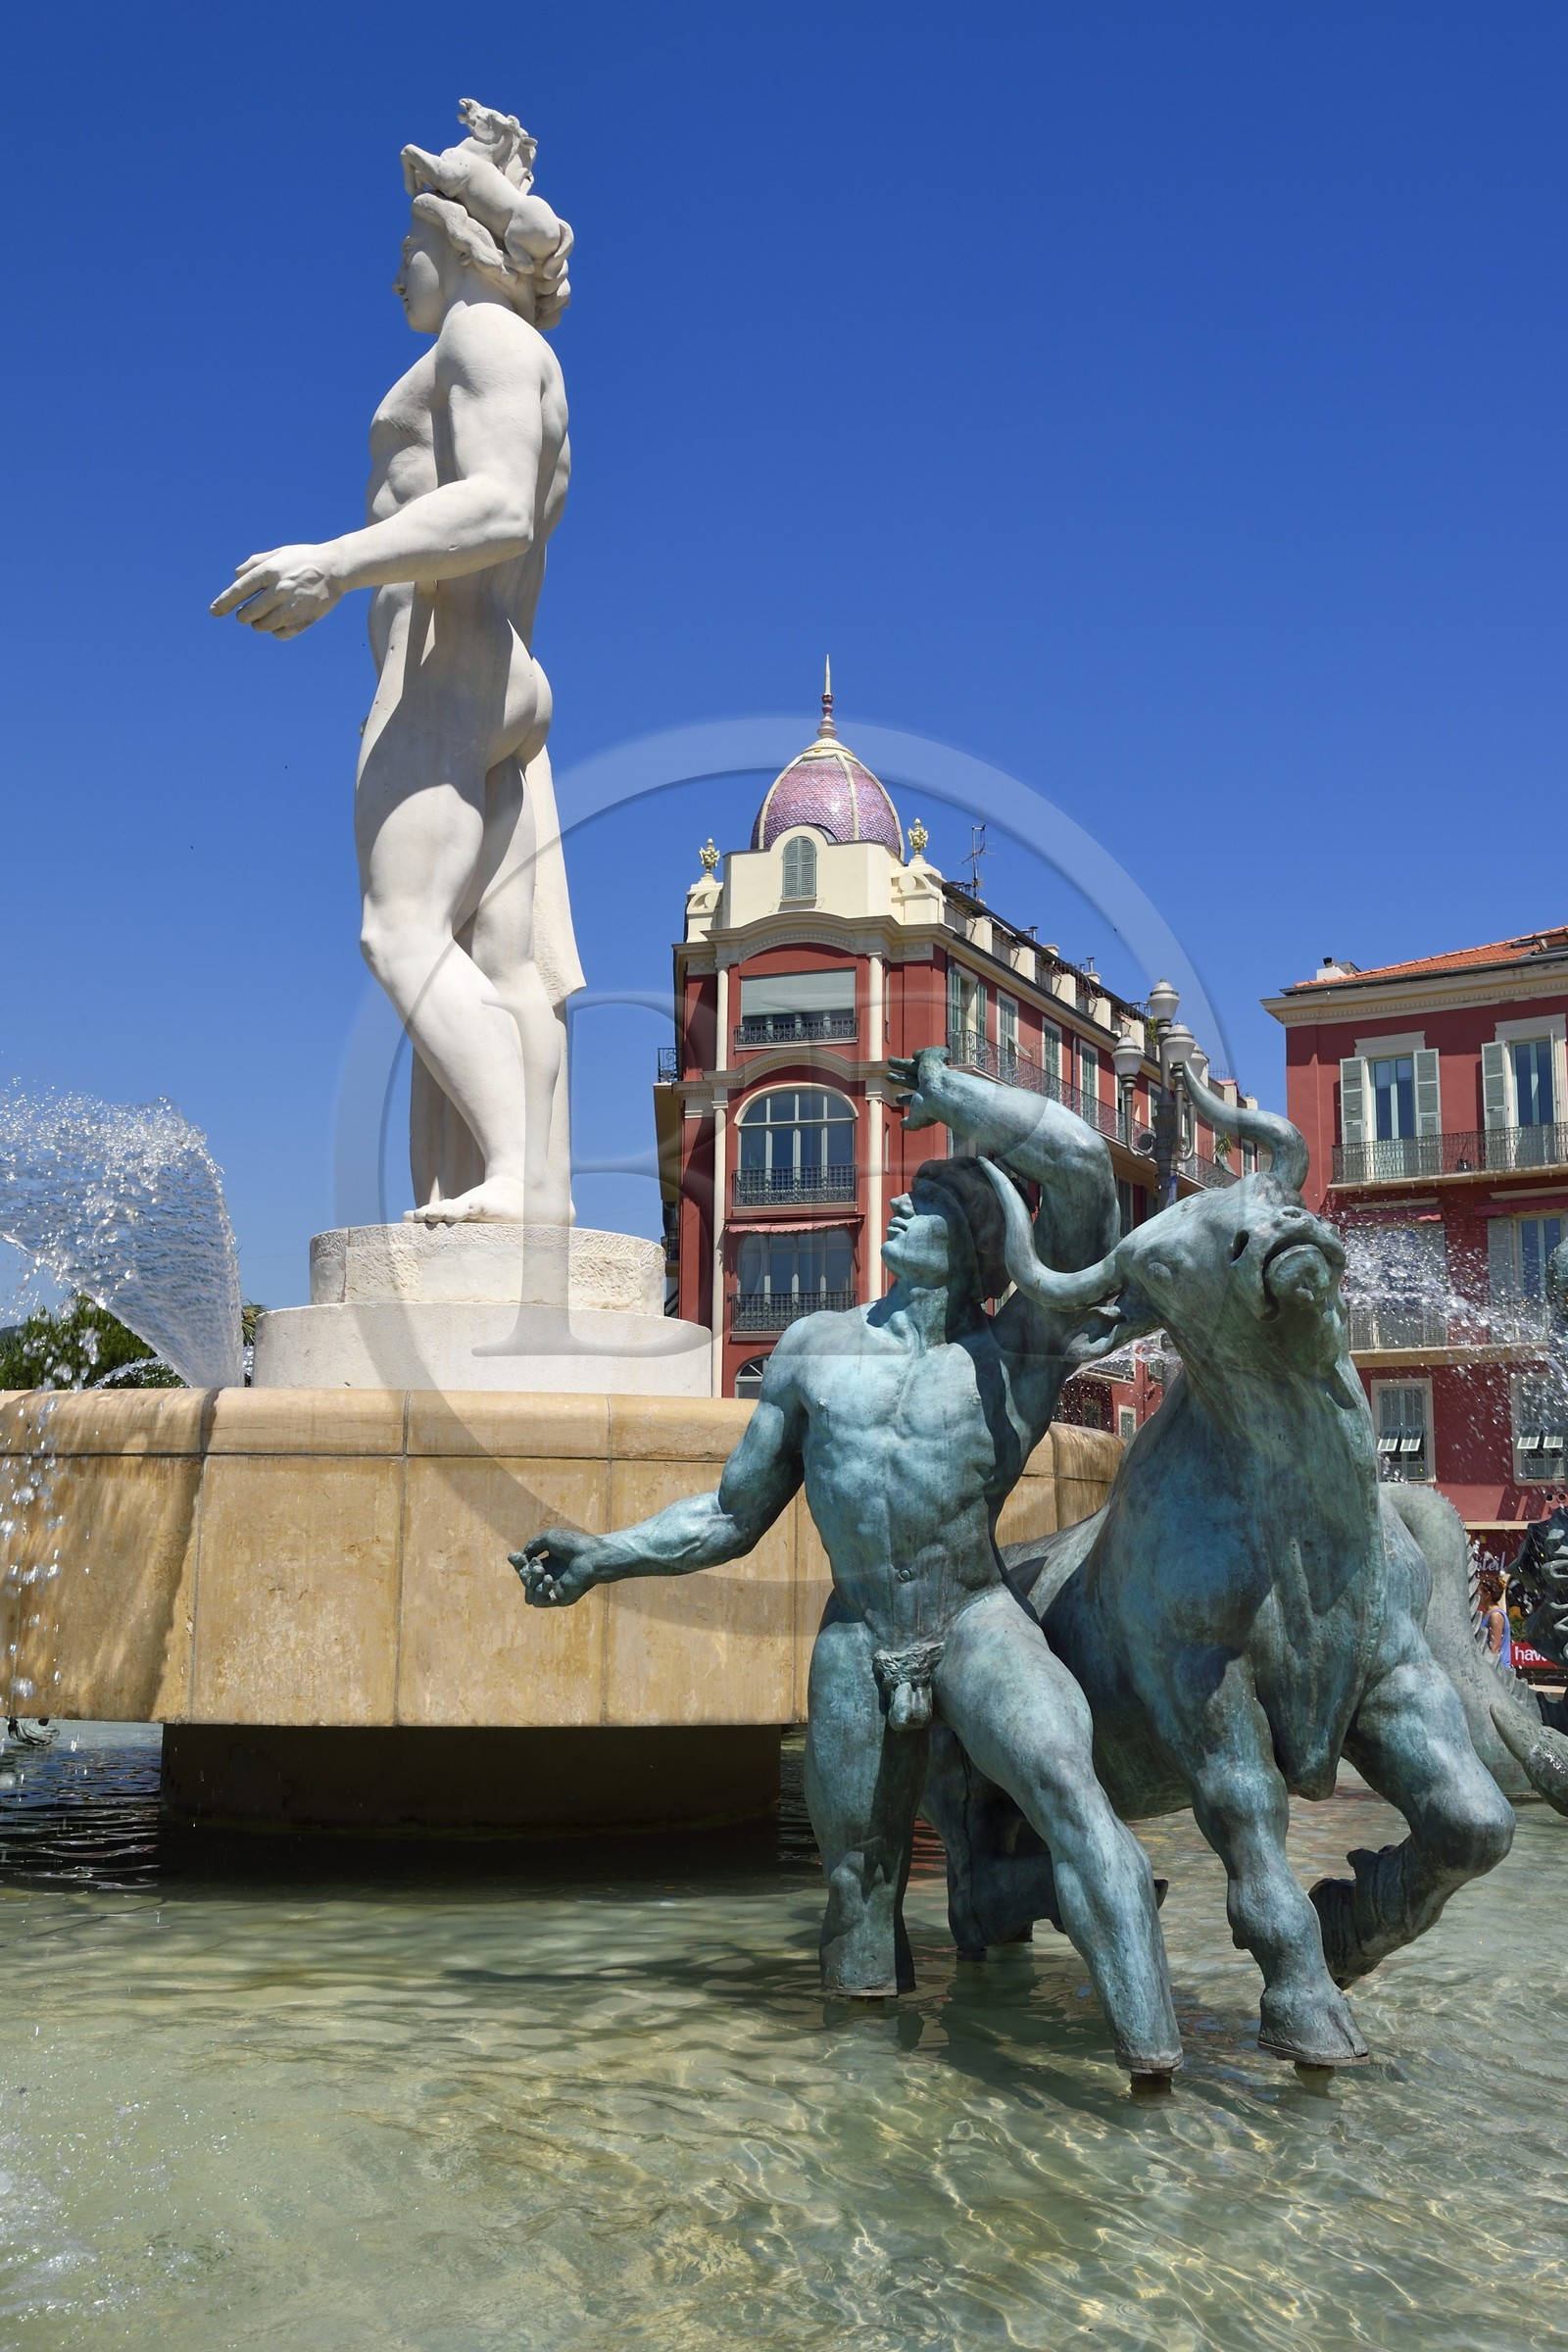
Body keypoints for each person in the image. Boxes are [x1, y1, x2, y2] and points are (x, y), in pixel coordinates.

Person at [514, 1108, 1182, 2080]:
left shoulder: (1017, 1351)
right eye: (905, 1199)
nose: (900, 1209)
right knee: (860, 1882)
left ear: (980, 1242)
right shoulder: (812, 1350)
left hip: (973, 1617)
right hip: (858, 1630)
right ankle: (861, 2105)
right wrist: (603, 1556)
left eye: (930, 1205)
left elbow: (1081, 1177)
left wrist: (957, 1089)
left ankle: (1153, 2064)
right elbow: (730, 1515)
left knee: (1074, 1803)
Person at [212, 111, 582, 1224]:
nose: (393, 279)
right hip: (504, 671)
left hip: (448, 665)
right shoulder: (524, 354)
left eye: (405, 254)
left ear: (458, 247)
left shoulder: (480, 339)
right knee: (504, 964)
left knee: (401, 930)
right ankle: (531, 1193)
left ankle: (508, 1174)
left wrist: (334, 563)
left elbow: (499, 507)